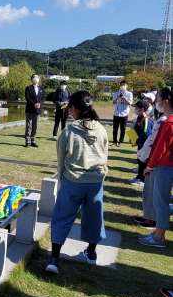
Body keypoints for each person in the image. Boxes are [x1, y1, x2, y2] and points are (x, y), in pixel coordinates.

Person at [46, 91, 108, 274]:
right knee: (94, 216)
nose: (69, 112)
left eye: (70, 108)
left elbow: (61, 158)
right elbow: (105, 155)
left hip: (73, 180)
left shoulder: (70, 131)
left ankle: (54, 258)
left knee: (62, 216)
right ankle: (91, 252)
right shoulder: (101, 129)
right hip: (95, 181)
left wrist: (61, 178)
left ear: (74, 108)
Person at [139, 87, 173, 249]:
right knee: (162, 201)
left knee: (160, 203)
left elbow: (160, 148)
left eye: (158, 98)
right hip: (166, 165)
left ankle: (159, 236)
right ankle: (157, 233)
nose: (156, 101)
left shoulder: (169, 122)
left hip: (164, 165)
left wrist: (150, 166)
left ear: (166, 101)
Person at [133, 111, 167, 228]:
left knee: (154, 193)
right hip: (151, 159)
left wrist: (150, 165)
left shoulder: (165, 121)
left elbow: (157, 144)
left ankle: (152, 220)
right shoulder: (161, 119)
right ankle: (148, 216)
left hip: (158, 163)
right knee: (148, 192)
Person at [129, 99, 153, 186]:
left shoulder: (146, 120)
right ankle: (138, 177)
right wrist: (132, 137)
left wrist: (137, 141)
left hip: (144, 145)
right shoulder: (139, 118)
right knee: (139, 160)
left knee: (143, 162)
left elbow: (146, 134)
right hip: (140, 144)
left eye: (136, 108)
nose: (134, 109)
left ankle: (142, 180)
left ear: (142, 109)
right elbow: (135, 130)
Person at [25, 74, 46, 148]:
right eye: (34, 77)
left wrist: (40, 103)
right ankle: (28, 141)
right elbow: (27, 98)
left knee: (35, 126)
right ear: (32, 79)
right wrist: (34, 104)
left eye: (37, 77)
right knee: (29, 126)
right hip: (30, 110)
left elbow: (44, 97)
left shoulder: (41, 88)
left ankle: (33, 141)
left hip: (37, 110)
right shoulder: (28, 88)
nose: (36, 78)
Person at [112, 80, 133, 146]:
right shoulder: (116, 93)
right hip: (116, 113)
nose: (122, 86)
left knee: (123, 129)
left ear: (126, 86)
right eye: (121, 85)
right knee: (115, 128)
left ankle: (120, 141)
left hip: (124, 114)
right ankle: (115, 141)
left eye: (124, 85)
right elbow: (113, 102)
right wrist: (118, 97)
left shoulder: (129, 94)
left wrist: (124, 98)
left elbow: (130, 103)